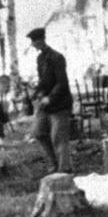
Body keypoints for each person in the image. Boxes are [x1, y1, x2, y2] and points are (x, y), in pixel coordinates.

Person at [26, 27, 72, 174]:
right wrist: (36, 91)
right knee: (38, 132)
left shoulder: (57, 57)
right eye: (32, 42)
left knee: (58, 138)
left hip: (60, 104)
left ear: (41, 40)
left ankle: (64, 170)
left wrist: (50, 98)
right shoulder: (40, 58)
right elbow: (43, 80)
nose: (33, 44)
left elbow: (62, 82)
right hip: (45, 105)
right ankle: (53, 165)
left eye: (35, 41)